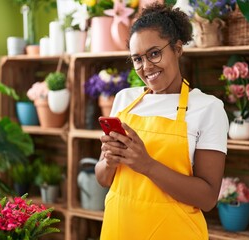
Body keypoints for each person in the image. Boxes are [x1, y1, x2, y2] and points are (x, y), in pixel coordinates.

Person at [95, 3, 229, 239]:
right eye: (137, 59)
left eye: (154, 53)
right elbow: (103, 178)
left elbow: (207, 198)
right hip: (119, 230)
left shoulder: (208, 108)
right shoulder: (124, 100)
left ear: (177, 49)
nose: (146, 67)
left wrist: (147, 165)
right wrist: (109, 160)